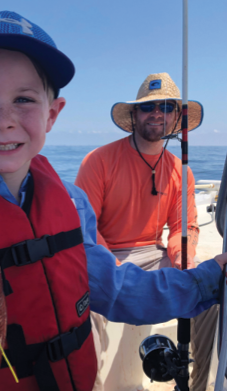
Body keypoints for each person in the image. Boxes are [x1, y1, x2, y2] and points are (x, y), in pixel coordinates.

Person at [0, 12, 226, 391]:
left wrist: (209, 278)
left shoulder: (70, 203)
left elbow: (118, 287)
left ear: (53, 114)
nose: (3, 119)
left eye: (23, 99)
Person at [75, 73, 216, 391]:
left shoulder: (182, 171)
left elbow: (184, 227)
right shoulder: (98, 161)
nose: (157, 114)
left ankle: (198, 385)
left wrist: (184, 261)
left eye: (167, 107)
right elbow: (86, 228)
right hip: (106, 257)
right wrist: (113, 270)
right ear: (134, 115)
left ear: (176, 118)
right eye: (148, 107)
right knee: (81, 308)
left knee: (214, 292)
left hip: (155, 253)